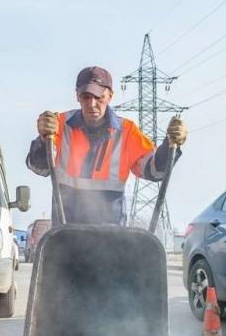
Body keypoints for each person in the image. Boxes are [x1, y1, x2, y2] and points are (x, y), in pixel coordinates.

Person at [27, 66, 188, 224]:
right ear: (77, 96)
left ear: (110, 96)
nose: (91, 104)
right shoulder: (59, 126)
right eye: (86, 97)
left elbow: (155, 172)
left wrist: (170, 145)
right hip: (65, 232)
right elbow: (39, 168)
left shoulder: (127, 132)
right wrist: (43, 139)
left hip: (111, 236)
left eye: (99, 97)